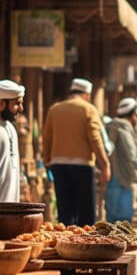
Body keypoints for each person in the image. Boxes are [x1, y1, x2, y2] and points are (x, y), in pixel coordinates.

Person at [42, 78, 111, 226]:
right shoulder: (88, 109)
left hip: (58, 165)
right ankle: (85, 245)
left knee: (65, 211)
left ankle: (65, 244)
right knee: (86, 212)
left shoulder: (55, 109)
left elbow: (46, 138)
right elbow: (95, 139)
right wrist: (105, 164)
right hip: (82, 166)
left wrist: (47, 160)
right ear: (86, 94)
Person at [104, 98, 137, 223]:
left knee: (111, 219)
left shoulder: (110, 126)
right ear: (132, 115)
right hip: (123, 178)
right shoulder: (124, 128)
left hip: (111, 177)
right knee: (123, 221)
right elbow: (131, 153)